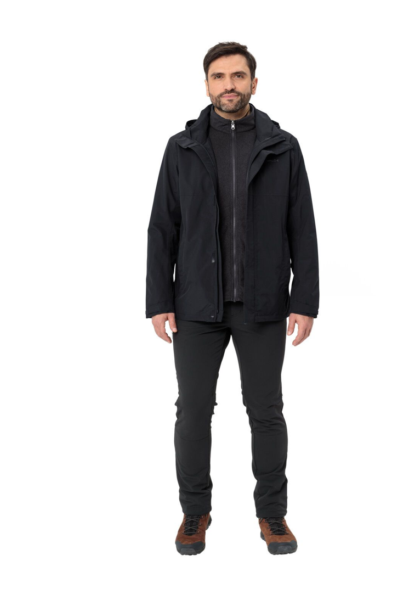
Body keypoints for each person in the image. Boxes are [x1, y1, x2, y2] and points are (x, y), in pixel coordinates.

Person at [145, 42, 319, 555]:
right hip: (196, 303)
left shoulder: (283, 147)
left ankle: (272, 514)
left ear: (253, 84)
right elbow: (162, 227)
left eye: (238, 76)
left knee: (266, 411)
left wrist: (304, 300)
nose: (229, 85)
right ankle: (194, 511)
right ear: (206, 85)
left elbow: (302, 227)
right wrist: (159, 299)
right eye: (219, 76)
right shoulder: (181, 148)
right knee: (193, 411)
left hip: (263, 303)